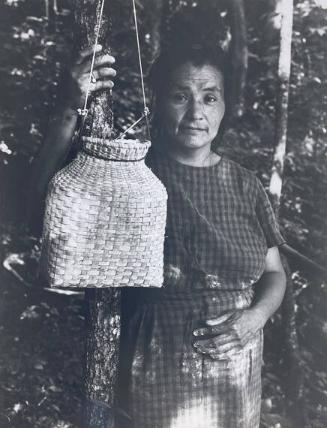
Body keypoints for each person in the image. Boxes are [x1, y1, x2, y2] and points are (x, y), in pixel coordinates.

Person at [29, 42, 286, 428]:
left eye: (210, 97)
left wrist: (255, 317)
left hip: (237, 376)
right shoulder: (131, 172)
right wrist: (70, 105)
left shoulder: (244, 184)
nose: (196, 113)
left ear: (225, 106)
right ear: (158, 100)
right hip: (158, 369)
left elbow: (275, 273)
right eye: (180, 96)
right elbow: (40, 200)